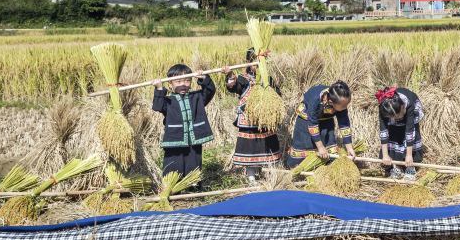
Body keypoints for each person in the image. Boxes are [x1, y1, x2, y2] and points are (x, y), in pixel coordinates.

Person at [224, 49, 282, 181]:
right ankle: (252, 179)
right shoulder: (244, 79)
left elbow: (278, 96)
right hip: (249, 123)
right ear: (247, 62)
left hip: (266, 121)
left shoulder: (268, 80)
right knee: (250, 150)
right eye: (256, 61)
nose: (260, 64)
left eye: (263, 61)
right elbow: (233, 86)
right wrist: (230, 74)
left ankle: (266, 176)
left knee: (266, 149)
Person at [152, 64, 216, 180]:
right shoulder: (168, 101)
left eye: (187, 80)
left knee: (193, 167)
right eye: (178, 81)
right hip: (174, 139)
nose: (183, 84)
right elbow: (158, 106)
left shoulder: (197, 97)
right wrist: (159, 88)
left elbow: (210, 90)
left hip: (194, 141)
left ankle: (192, 188)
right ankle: (172, 188)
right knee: (173, 166)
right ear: (170, 83)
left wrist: (204, 78)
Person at [287, 82, 355, 168]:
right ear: (330, 102)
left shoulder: (340, 103)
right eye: (343, 106)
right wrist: (320, 147)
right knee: (305, 145)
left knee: (329, 145)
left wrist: (349, 148)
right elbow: (313, 124)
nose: (345, 108)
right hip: (307, 120)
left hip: (326, 119)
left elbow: (344, 124)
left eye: (346, 105)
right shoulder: (315, 99)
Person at [377, 86, 424, 180]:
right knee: (394, 133)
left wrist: (409, 156)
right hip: (393, 113)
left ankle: (410, 167)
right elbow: (383, 131)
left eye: (400, 115)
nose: (399, 118)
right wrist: (385, 155)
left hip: (409, 113)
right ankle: (397, 165)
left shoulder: (408, 103)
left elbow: (410, 131)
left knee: (408, 133)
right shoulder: (384, 107)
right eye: (396, 117)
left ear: (403, 106)